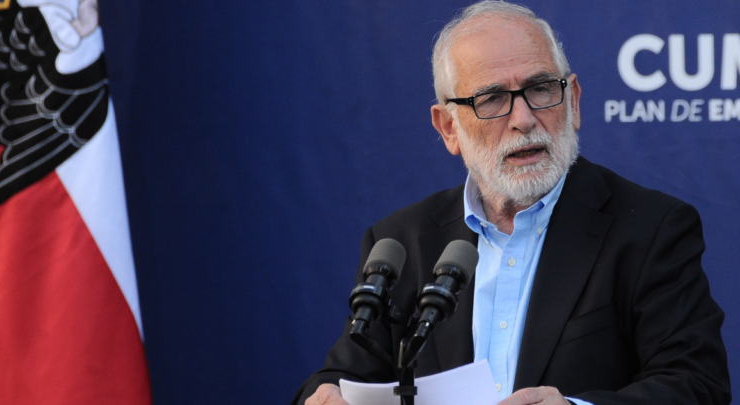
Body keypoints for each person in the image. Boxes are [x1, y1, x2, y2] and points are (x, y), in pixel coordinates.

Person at [293, 2, 731, 405]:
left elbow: (696, 384)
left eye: (540, 88)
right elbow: (345, 377)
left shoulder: (650, 228)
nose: (523, 119)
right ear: (448, 128)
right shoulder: (401, 242)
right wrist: (325, 396)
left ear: (574, 100)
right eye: (493, 99)